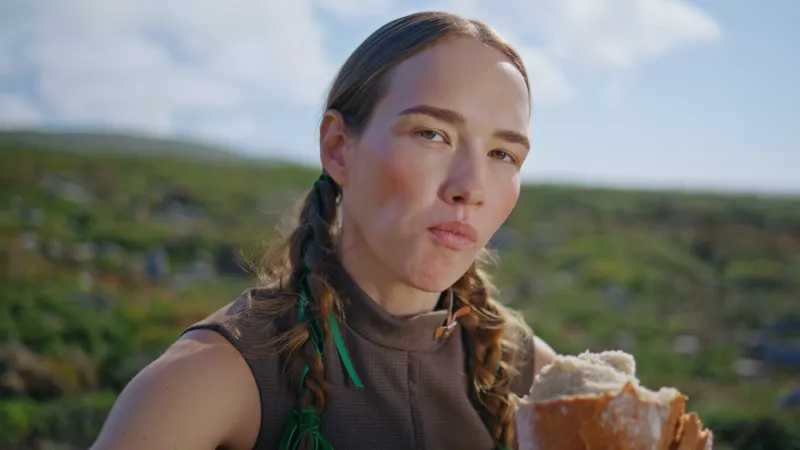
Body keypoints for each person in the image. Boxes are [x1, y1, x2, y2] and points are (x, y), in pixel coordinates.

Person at [91, 10, 558, 450]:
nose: (471, 187)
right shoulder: (208, 377)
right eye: (432, 134)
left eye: (503, 155)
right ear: (338, 148)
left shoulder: (529, 372)